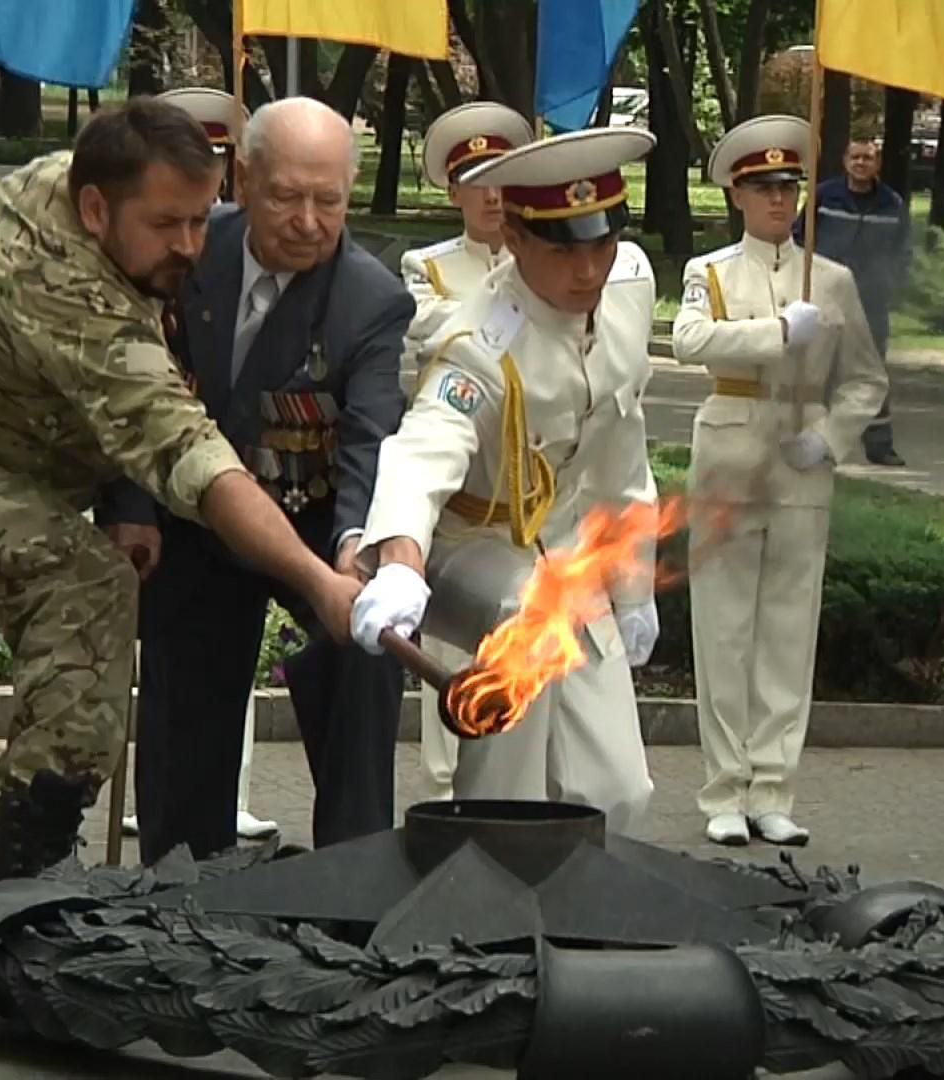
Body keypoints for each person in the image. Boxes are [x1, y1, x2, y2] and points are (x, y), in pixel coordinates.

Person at [0, 99, 364, 923]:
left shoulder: (84, 195)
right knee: (83, 579)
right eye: (168, 224)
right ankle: (29, 871)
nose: (191, 247)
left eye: (203, 220)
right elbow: (191, 454)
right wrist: (316, 581)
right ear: (97, 209)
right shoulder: (67, 289)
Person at [95, 97, 413, 858]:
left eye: (328, 200)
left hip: (312, 518)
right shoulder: (187, 248)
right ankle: (180, 879)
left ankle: (353, 867)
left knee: (368, 648)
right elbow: (126, 385)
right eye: (286, 196)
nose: (308, 220)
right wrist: (130, 506)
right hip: (193, 522)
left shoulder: (370, 301)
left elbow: (372, 437)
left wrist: (354, 549)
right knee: (186, 689)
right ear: (242, 177)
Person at [347, 127, 662, 836]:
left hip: (564, 551)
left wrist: (635, 583)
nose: (589, 271)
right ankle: (487, 842)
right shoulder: (480, 344)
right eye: (564, 249)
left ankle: (587, 911)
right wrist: (398, 563)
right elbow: (423, 451)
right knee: (527, 617)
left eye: (602, 244)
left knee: (618, 790)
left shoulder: (622, 304)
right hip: (469, 545)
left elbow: (622, 455)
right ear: (516, 238)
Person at [673, 115, 887, 847]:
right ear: (736, 194)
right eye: (764, 187)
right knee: (725, 628)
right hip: (732, 448)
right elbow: (688, 341)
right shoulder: (710, 273)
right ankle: (723, 789)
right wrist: (773, 334)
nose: (778, 200)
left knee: (789, 631)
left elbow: (865, 380)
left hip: (798, 453)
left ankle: (773, 786)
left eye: (789, 185)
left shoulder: (830, 278)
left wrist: (829, 437)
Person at [110, 87, 280, 846]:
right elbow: (124, 399)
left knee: (217, 703)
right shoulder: (132, 261)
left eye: (203, 206)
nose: (190, 233)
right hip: (161, 502)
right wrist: (128, 508)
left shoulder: (231, 245)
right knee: (165, 704)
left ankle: (201, 859)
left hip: (256, 503)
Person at [398, 102, 535, 801]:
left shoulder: (542, 264)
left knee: (519, 648)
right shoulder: (427, 265)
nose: (489, 194)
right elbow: (431, 331)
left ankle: (498, 797)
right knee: (447, 655)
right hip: (456, 497)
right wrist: (508, 288)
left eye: (500, 178)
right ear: (453, 193)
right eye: (473, 179)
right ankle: (439, 792)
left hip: (523, 501)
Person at [794, 137, 908, 466]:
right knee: (819, 367)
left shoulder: (891, 203)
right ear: (845, 161)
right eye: (855, 157)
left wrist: (893, 283)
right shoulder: (824, 197)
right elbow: (800, 238)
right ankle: (813, 436)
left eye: (868, 158)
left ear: (877, 164)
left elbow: (903, 249)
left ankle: (879, 444)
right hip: (826, 297)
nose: (861, 163)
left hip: (871, 299)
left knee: (872, 371)